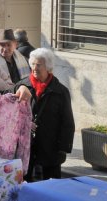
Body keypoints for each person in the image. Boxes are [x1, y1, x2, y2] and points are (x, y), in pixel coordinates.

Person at [24, 48, 75, 181]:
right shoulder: (23, 86)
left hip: (50, 147)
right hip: (27, 146)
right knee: (26, 185)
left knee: (52, 184)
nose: (34, 68)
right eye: (33, 64)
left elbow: (67, 122)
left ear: (48, 67)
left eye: (39, 65)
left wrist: (63, 149)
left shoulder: (61, 91)